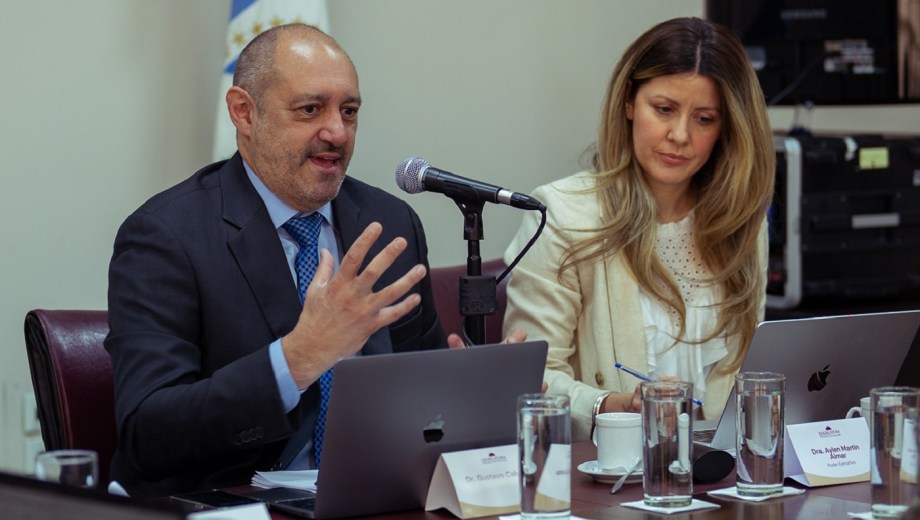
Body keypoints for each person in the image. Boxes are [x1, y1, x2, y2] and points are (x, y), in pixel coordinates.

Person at [105, 23, 522, 498]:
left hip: (372, 498)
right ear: (244, 112)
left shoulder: (389, 223)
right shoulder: (167, 235)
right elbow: (148, 434)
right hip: (228, 502)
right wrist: (297, 358)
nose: (337, 132)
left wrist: (466, 394)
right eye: (310, 109)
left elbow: (415, 396)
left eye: (349, 111)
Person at [502, 17, 774, 441]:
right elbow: (533, 378)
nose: (680, 135)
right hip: (609, 473)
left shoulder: (742, 225)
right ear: (629, 102)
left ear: (727, 130)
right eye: (663, 109)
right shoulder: (561, 214)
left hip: (720, 476)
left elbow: (747, 376)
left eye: (705, 119)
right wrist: (614, 406)